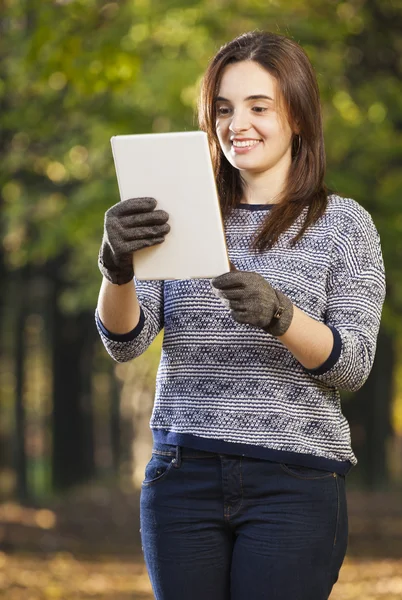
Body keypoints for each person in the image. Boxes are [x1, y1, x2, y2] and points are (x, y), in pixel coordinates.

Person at [95, 30, 386, 600]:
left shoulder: (344, 226)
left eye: (260, 107)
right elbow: (125, 342)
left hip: (295, 480)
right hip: (184, 474)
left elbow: (352, 366)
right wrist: (117, 268)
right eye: (224, 109)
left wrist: (284, 316)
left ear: (298, 116)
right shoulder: (173, 211)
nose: (238, 124)